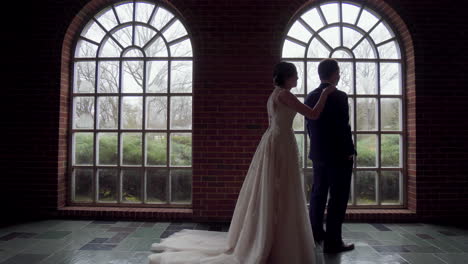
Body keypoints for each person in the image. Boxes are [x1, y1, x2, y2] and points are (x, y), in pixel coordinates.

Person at [148, 62, 335, 264]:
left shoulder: (273, 94)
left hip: (273, 140)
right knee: (281, 188)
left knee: (272, 188)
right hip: (281, 143)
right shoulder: (285, 95)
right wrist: (325, 93)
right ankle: (274, 238)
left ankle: (269, 234)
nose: (297, 79)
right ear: (287, 77)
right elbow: (313, 114)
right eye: (295, 76)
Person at [305, 58, 356, 254]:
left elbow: (310, 126)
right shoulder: (340, 96)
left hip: (318, 154)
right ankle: (333, 242)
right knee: (338, 197)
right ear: (334, 73)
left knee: (318, 193)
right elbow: (342, 127)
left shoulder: (310, 96)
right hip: (338, 155)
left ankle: (316, 233)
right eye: (338, 71)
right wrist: (348, 152)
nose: (339, 75)